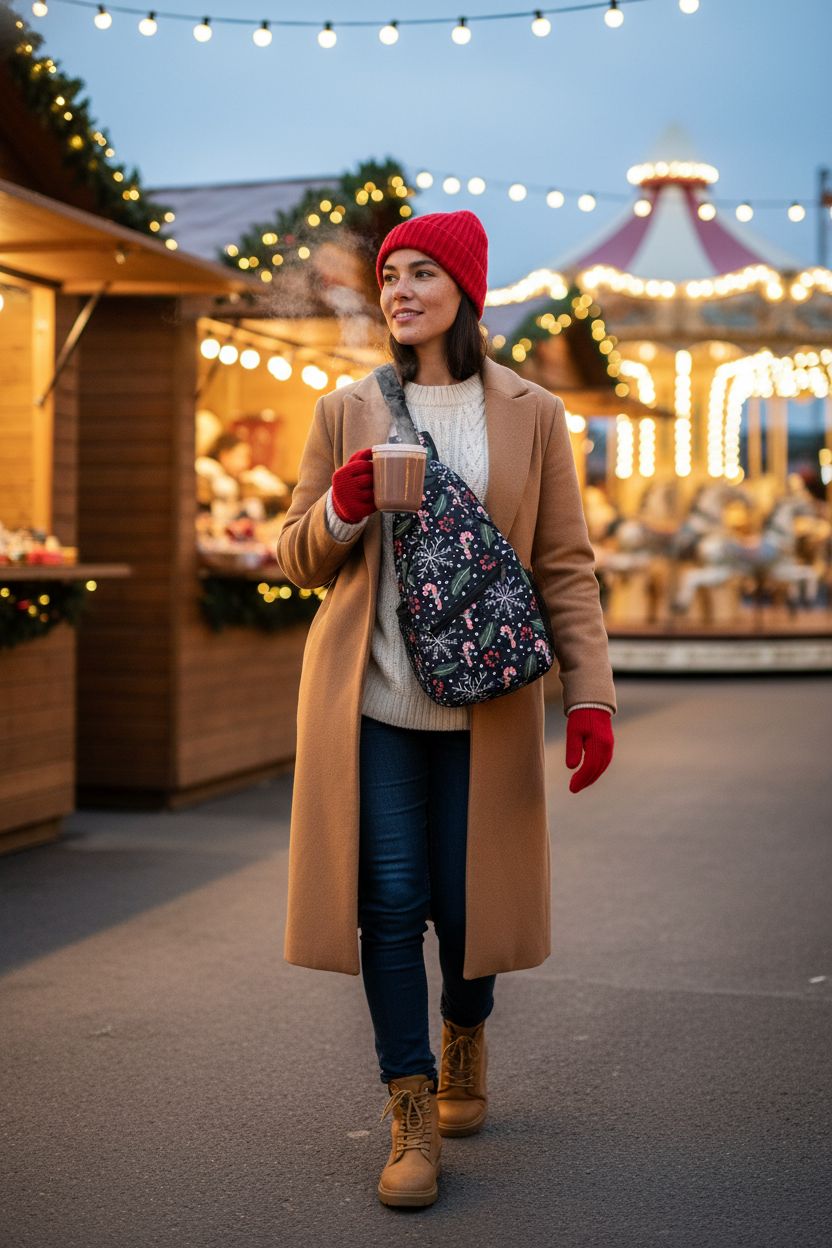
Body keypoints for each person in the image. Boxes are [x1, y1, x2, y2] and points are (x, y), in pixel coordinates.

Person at [275, 210, 616, 1209]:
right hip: (372, 703)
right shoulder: (347, 408)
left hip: (490, 708)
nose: (400, 291)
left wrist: (588, 695)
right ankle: (409, 1105)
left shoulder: (532, 414)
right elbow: (294, 556)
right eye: (389, 277)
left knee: (471, 917)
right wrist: (342, 504)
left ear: (465, 288)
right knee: (388, 903)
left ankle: (466, 1029)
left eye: (423, 273)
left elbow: (565, 564)